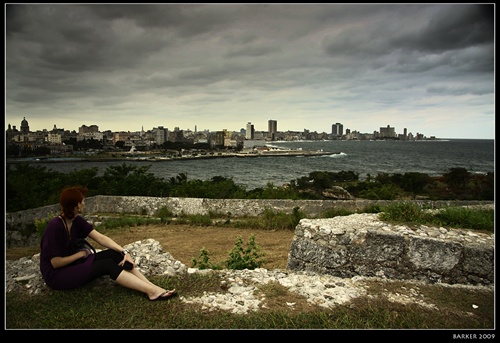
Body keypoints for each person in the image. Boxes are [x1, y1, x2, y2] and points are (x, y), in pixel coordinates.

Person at [39, 186, 176, 301]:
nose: (84, 204)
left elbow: (101, 238)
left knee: (114, 254)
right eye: (83, 201)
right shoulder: (56, 226)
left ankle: (154, 287)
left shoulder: (76, 221)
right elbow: (55, 263)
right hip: (57, 275)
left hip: (72, 265)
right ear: (77, 205)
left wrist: (124, 252)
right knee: (107, 265)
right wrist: (81, 254)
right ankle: (151, 291)